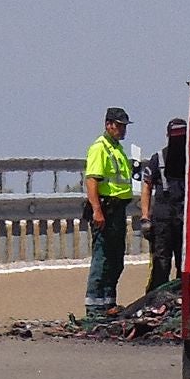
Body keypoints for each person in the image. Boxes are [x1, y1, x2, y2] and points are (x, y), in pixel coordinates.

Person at [84, 107, 135, 318]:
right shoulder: (100, 148)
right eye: (119, 125)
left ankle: (108, 302)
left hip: (118, 210)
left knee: (116, 258)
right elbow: (92, 180)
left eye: (124, 126)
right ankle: (95, 307)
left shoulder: (117, 149)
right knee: (102, 257)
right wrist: (97, 211)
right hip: (105, 208)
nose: (122, 130)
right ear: (108, 125)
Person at [139, 118, 188, 293]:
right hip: (163, 219)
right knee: (161, 263)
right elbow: (146, 186)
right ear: (168, 135)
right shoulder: (158, 158)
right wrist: (145, 217)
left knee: (185, 264)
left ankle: (180, 300)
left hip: (184, 218)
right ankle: (155, 301)